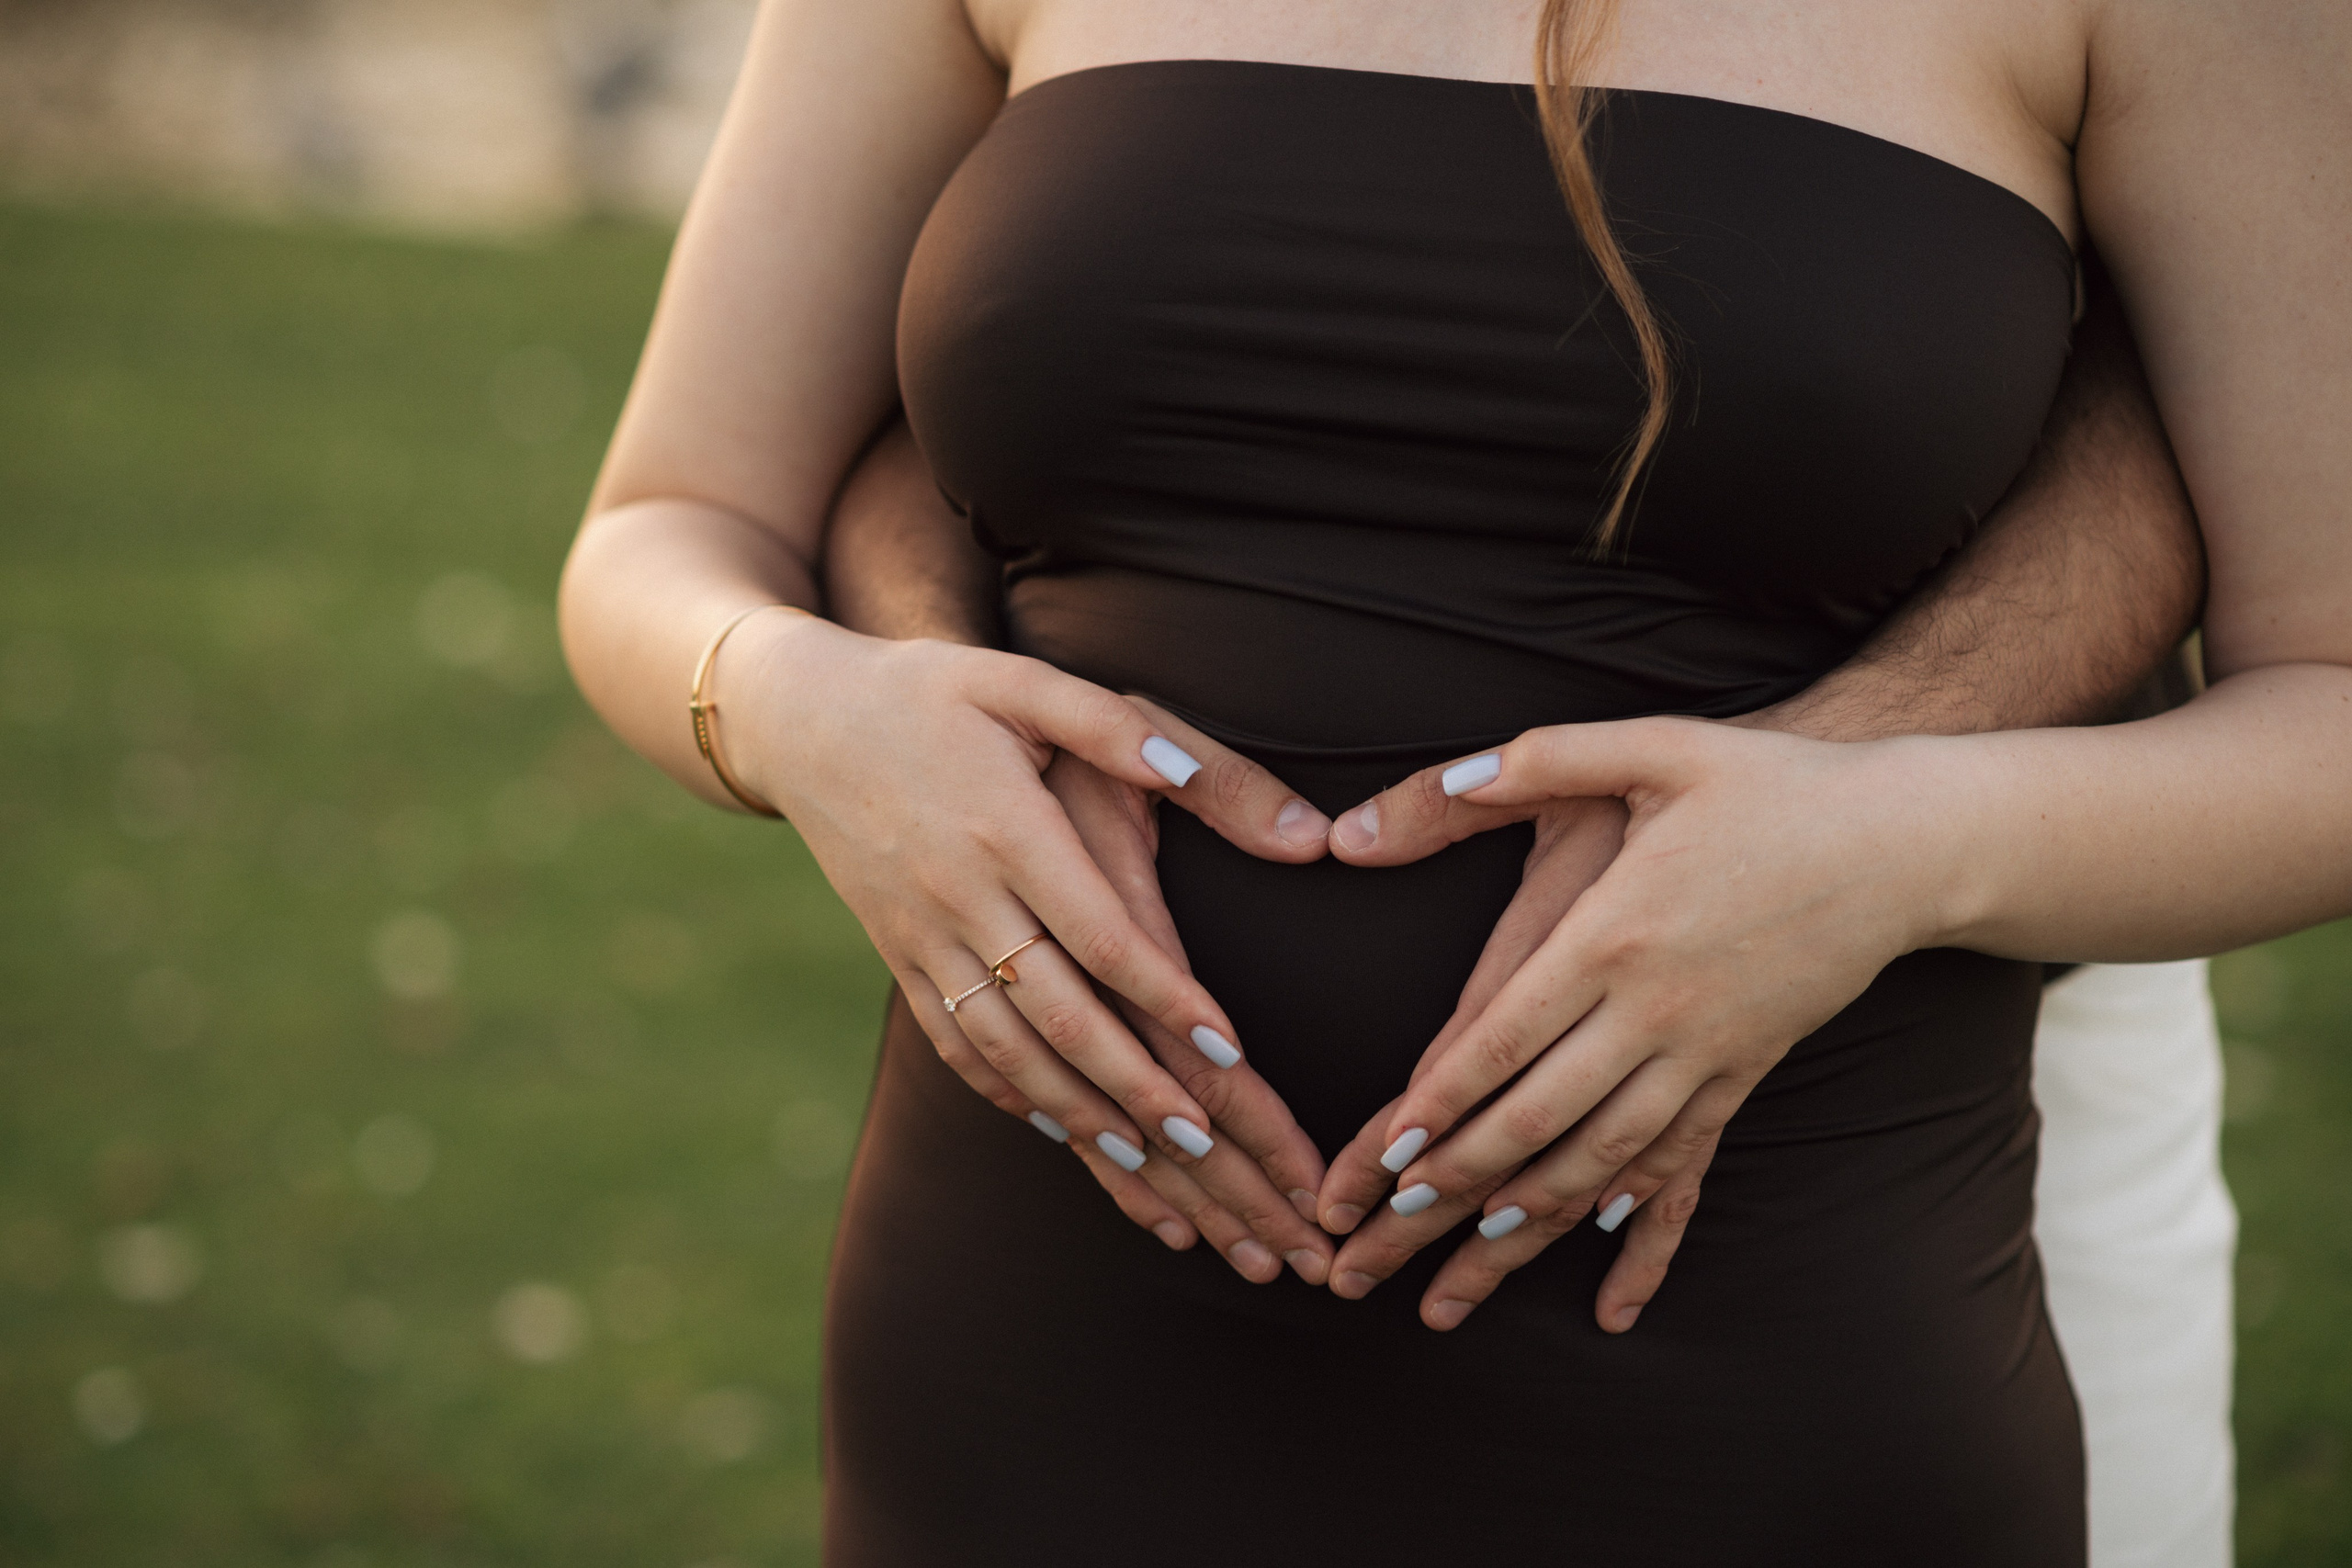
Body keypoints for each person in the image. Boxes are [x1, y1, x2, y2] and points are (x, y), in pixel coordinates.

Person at [559, 0, 2352, 1561]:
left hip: (1771, 1378)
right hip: (1036, 1350)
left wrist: (1905, 847)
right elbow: (671, 524)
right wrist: (805, 707)